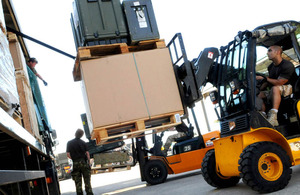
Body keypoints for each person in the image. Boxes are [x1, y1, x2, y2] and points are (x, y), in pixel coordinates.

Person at [256, 45, 297, 126]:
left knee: (275, 88)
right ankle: (263, 116)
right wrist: (258, 89)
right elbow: (269, 81)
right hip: (276, 88)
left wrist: (264, 78)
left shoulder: (287, 65)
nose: (267, 53)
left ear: (277, 52)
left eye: (269, 50)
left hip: (290, 88)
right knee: (259, 94)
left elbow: (279, 82)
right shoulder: (270, 67)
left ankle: (273, 116)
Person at [67, 129, 93, 195]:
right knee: (87, 180)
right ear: (81, 135)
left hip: (75, 163)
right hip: (83, 162)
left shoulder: (69, 143)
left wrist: (74, 159)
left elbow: (68, 154)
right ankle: (89, 193)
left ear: (75, 134)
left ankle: (79, 193)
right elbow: (87, 153)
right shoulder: (83, 142)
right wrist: (88, 163)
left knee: (77, 181)